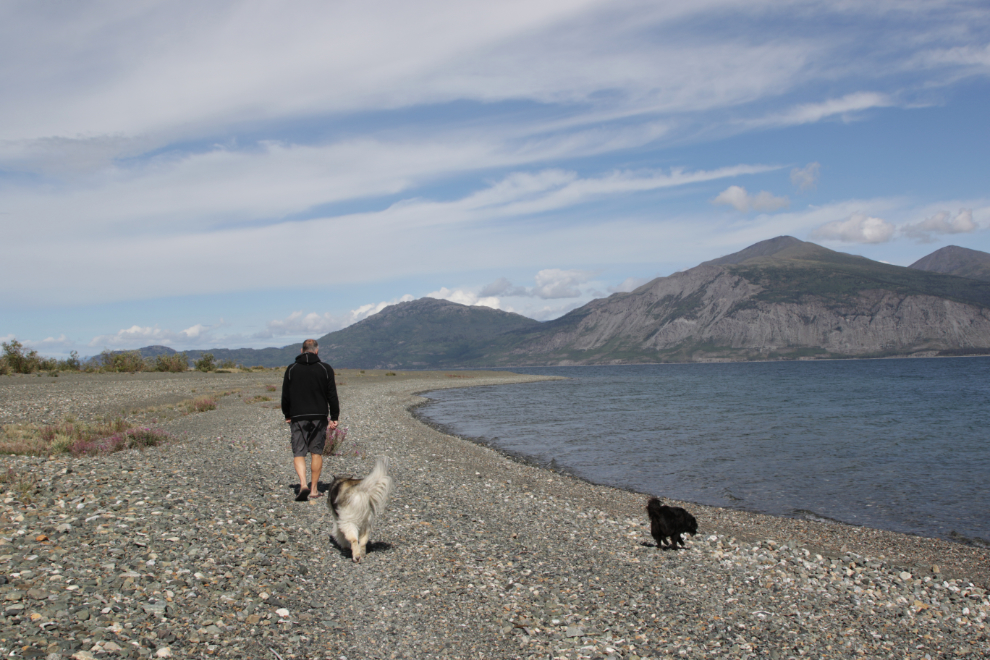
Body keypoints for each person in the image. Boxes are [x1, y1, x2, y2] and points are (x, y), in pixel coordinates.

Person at [281, 338, 339, 501]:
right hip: (319, 416)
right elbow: (332, 394)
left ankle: (303, 485)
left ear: (301, 351)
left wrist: (287, 414)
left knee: (299, 452)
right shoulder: (325, 368)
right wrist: (334, 416)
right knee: (316, 452)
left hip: (298, 416)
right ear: (317, 351)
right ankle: (313, 489)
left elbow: (285, 395)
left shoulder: (292, 369)